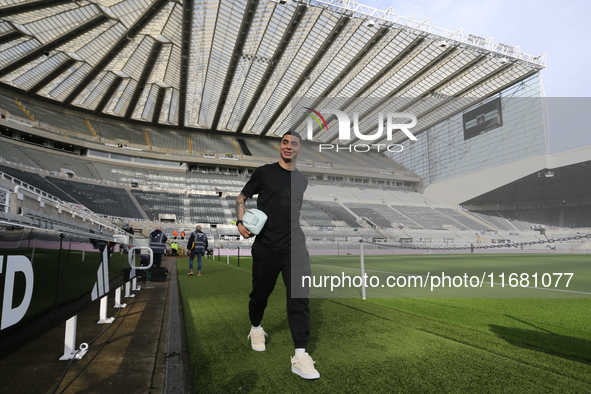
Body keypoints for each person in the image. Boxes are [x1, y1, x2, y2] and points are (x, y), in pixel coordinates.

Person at [236, 131, 319, 380]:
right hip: (266, 246)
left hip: (294, 246)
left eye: (294, 143)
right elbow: (242, 196)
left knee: (299, 296)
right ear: (279, 147)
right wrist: (240, 221)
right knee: (260, 294)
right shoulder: (263, 172)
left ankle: (301, 354)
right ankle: (256, 327)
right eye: (285, 142)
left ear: (300, 149)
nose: (288, 146)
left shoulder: (303, 180)